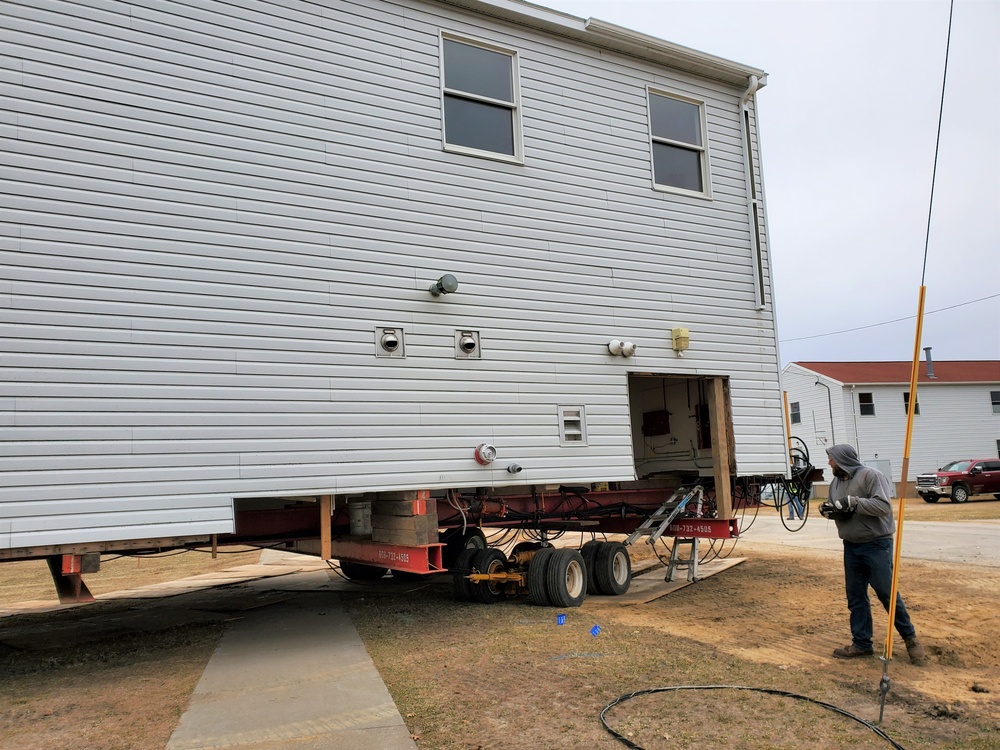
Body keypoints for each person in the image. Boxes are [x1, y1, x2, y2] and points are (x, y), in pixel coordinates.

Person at [820, 444, 928, 665]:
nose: (829, 463)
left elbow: (883, 506)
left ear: (842, 459)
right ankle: (861, 644)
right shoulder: (835, 483)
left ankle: (911, 641)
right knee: (856, 596)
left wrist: (855, 502)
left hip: (877, 544)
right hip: (851, 545)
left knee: (886, 593)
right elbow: (841, 509)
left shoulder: (870, 476)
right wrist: (829, 511)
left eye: (831, 459)